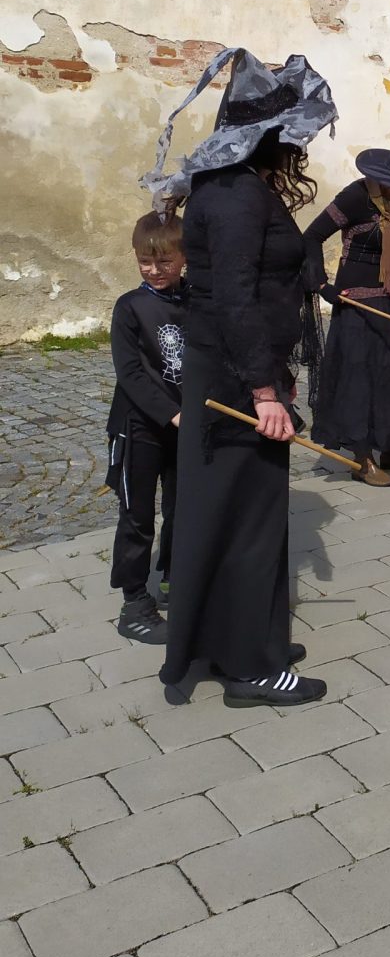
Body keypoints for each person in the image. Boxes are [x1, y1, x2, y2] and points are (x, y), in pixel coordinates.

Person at [143, 46, 336, 706]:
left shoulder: (237, 185)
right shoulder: (231, 194)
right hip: (232, 380)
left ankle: (246, 640)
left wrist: (273, 376)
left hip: (238, 370)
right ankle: (251, 668)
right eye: (289, 131)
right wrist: (262, 390)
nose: (297, 143)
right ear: (266, 133)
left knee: (240, 515)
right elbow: (232, 297)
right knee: (247, 520)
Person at [303, 99, 390, 487]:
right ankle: (363, 458)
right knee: (361, 382)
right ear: (389, 178)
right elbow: (311, 237)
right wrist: (321, 285)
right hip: (356, 307)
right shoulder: (355, 197)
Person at [105, 212, 188, 645]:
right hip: (138, 427)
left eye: (164, 261)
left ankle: (176, 578)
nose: (154, 270)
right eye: (145, 261)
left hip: (184, 426)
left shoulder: (195, 301)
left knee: (182, 508)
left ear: (184, 257)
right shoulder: (130, 307)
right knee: (137, 516)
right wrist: (172, 413)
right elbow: (131, 373)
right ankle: (134, 603)